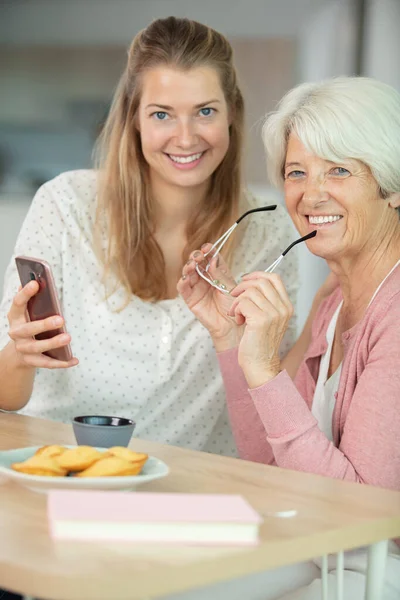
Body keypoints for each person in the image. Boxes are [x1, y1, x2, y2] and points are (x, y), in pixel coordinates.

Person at [0, 17, 299, 456]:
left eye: (205, 111)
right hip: (63, 478)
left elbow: (270, 402)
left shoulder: (267, 231)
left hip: (196, 494)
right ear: (134, 119)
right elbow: (8, 398)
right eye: (162, 114)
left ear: (231, 113)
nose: (185, 137)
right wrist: (18, 355)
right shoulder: (65, 205)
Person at [178, 77, 400, 599]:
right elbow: (268, 462)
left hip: (376, 566)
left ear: (392, 187)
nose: (310, 194)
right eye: (296, 172)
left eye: (339, 170)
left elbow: (361, 512)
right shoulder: (334, 297)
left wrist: (266, 370)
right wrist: (232, 343)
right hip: (322, 550)